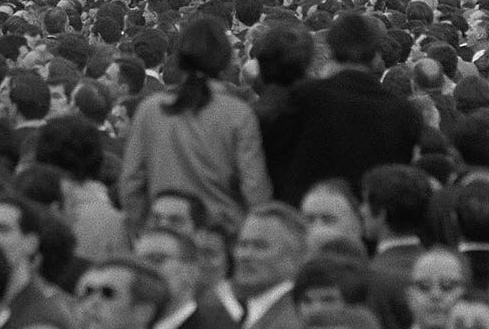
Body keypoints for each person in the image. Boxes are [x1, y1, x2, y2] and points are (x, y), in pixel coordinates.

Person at [120, 17, 270, 232]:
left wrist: (143, 230)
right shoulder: (238, 113)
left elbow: (132, 182)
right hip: (220, 232)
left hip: (164, 229)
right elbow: (255, 189)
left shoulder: (150, 109)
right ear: (225, 59)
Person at [263, 12, 421, 205]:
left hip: (308, 216)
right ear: (376, 54)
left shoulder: (305, 97)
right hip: (371, 215)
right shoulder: (403, 111)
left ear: (331, 50)